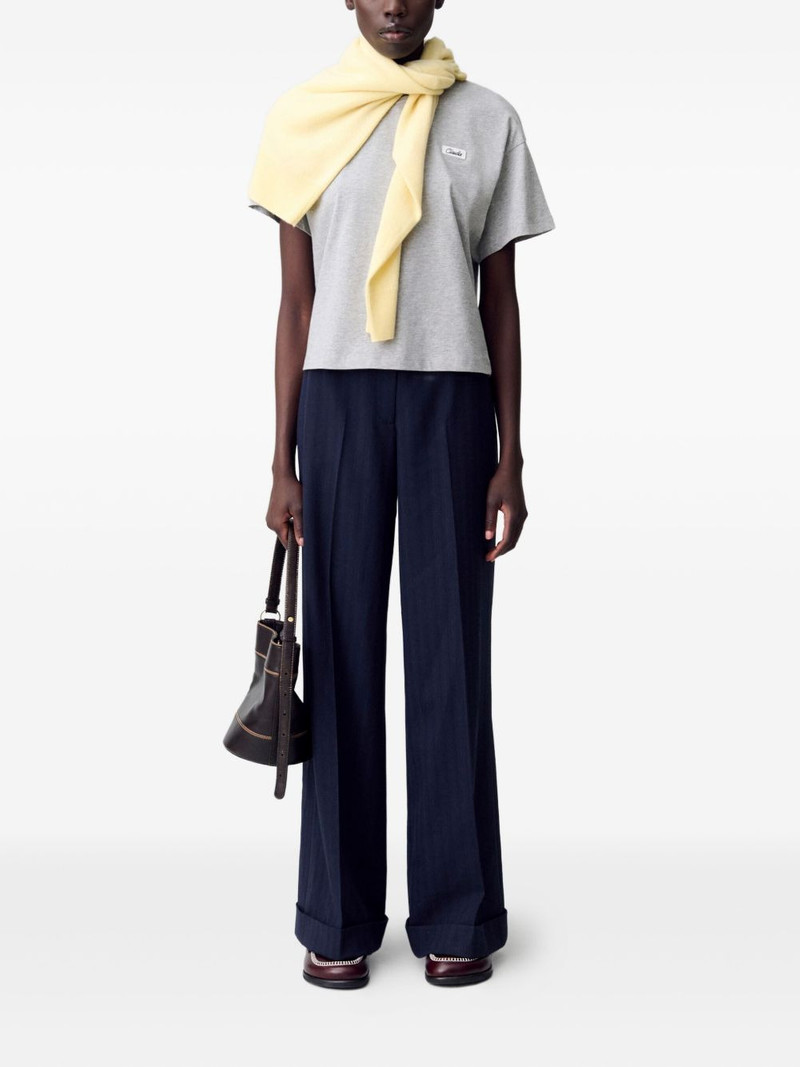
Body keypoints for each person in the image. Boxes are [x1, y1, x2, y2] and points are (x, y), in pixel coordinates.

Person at [246, 0, 554, 989]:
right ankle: (336, 916)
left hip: (451, 405)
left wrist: (511, 454)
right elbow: (296, 303)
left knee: (451, 661)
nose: (393, 3)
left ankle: (457, 912)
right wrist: (281, 460)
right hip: (336, 403)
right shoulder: (304, 116)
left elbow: (500, 300)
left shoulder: (487, 119)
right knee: (339, 655)